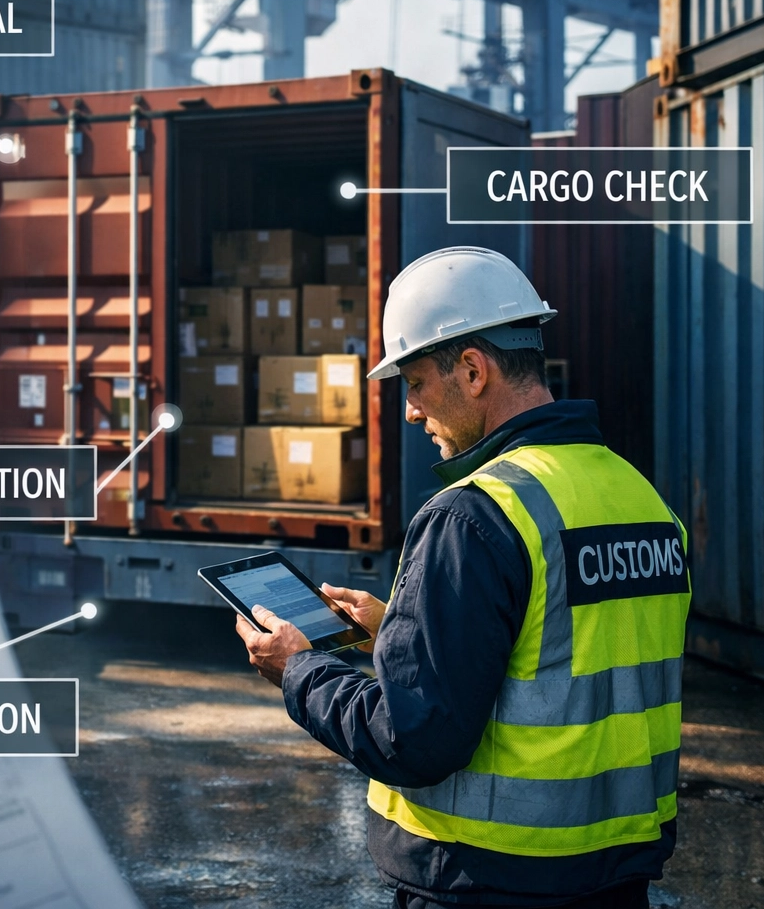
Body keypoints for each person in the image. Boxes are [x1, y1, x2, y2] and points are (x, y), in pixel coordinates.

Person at [236, 246, 691, 909]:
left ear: (473, 370)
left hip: (488, 881)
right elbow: (562, 659)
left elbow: (413, 740)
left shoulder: (473, 516)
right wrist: (393, 629)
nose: (412, 411)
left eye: (415, 383)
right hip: (613, 881)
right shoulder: (642, 501)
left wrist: (300, 670)